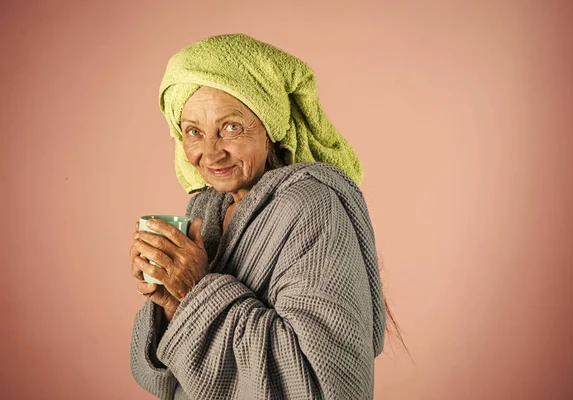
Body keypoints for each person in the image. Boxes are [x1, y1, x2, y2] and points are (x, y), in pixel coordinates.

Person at [129, 33, 388, 400]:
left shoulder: (311, 205)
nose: (211, 153)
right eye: (193, 132)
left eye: (231, 128)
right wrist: (174, 305)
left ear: (269, 126)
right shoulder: (206, 209)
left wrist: (196, 291)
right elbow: (169, 382)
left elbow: (324, 387)